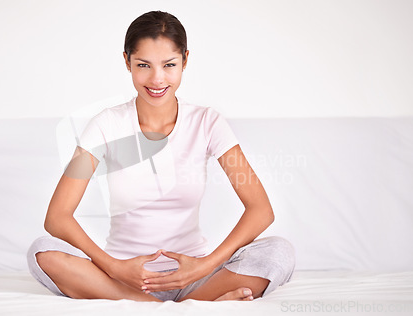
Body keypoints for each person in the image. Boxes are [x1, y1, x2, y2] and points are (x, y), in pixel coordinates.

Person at [27, 10, 295, 302]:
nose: (157, 79)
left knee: (278, 252)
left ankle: (167, 302)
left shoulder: (207, 123)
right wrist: (115, 268)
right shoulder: (105, 125)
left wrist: (202, 267)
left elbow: (260, 209)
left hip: (195, 276)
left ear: (185, 60)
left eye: (169, 65)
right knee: (42, 251)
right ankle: (180, 305)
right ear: (127, 62)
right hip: (125, 277)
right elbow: (57, 217)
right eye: (143, 65)